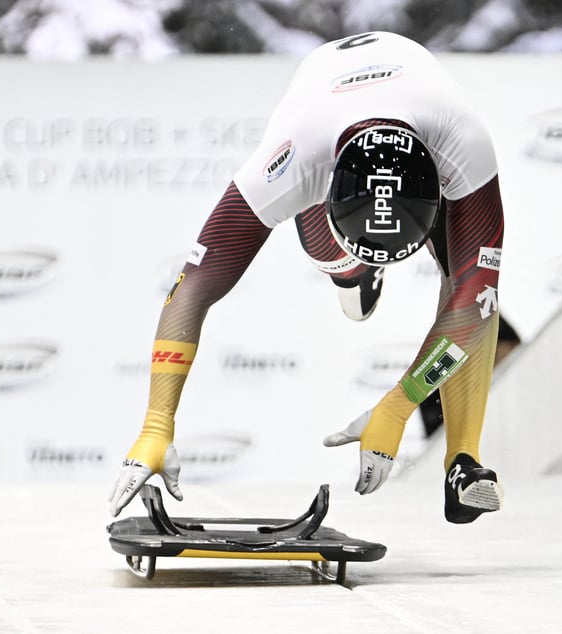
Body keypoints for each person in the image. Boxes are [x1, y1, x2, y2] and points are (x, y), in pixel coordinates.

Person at [108, 31, 505, 524]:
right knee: (333, 256)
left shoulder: (464, 144)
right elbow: (192, 288)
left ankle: (463, 460)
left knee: (467, 288)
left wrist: (400, 404)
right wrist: (156, 423)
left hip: (416, 113)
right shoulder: (291, 161)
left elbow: (474, 303)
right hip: (327, 113)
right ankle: (354, 273)